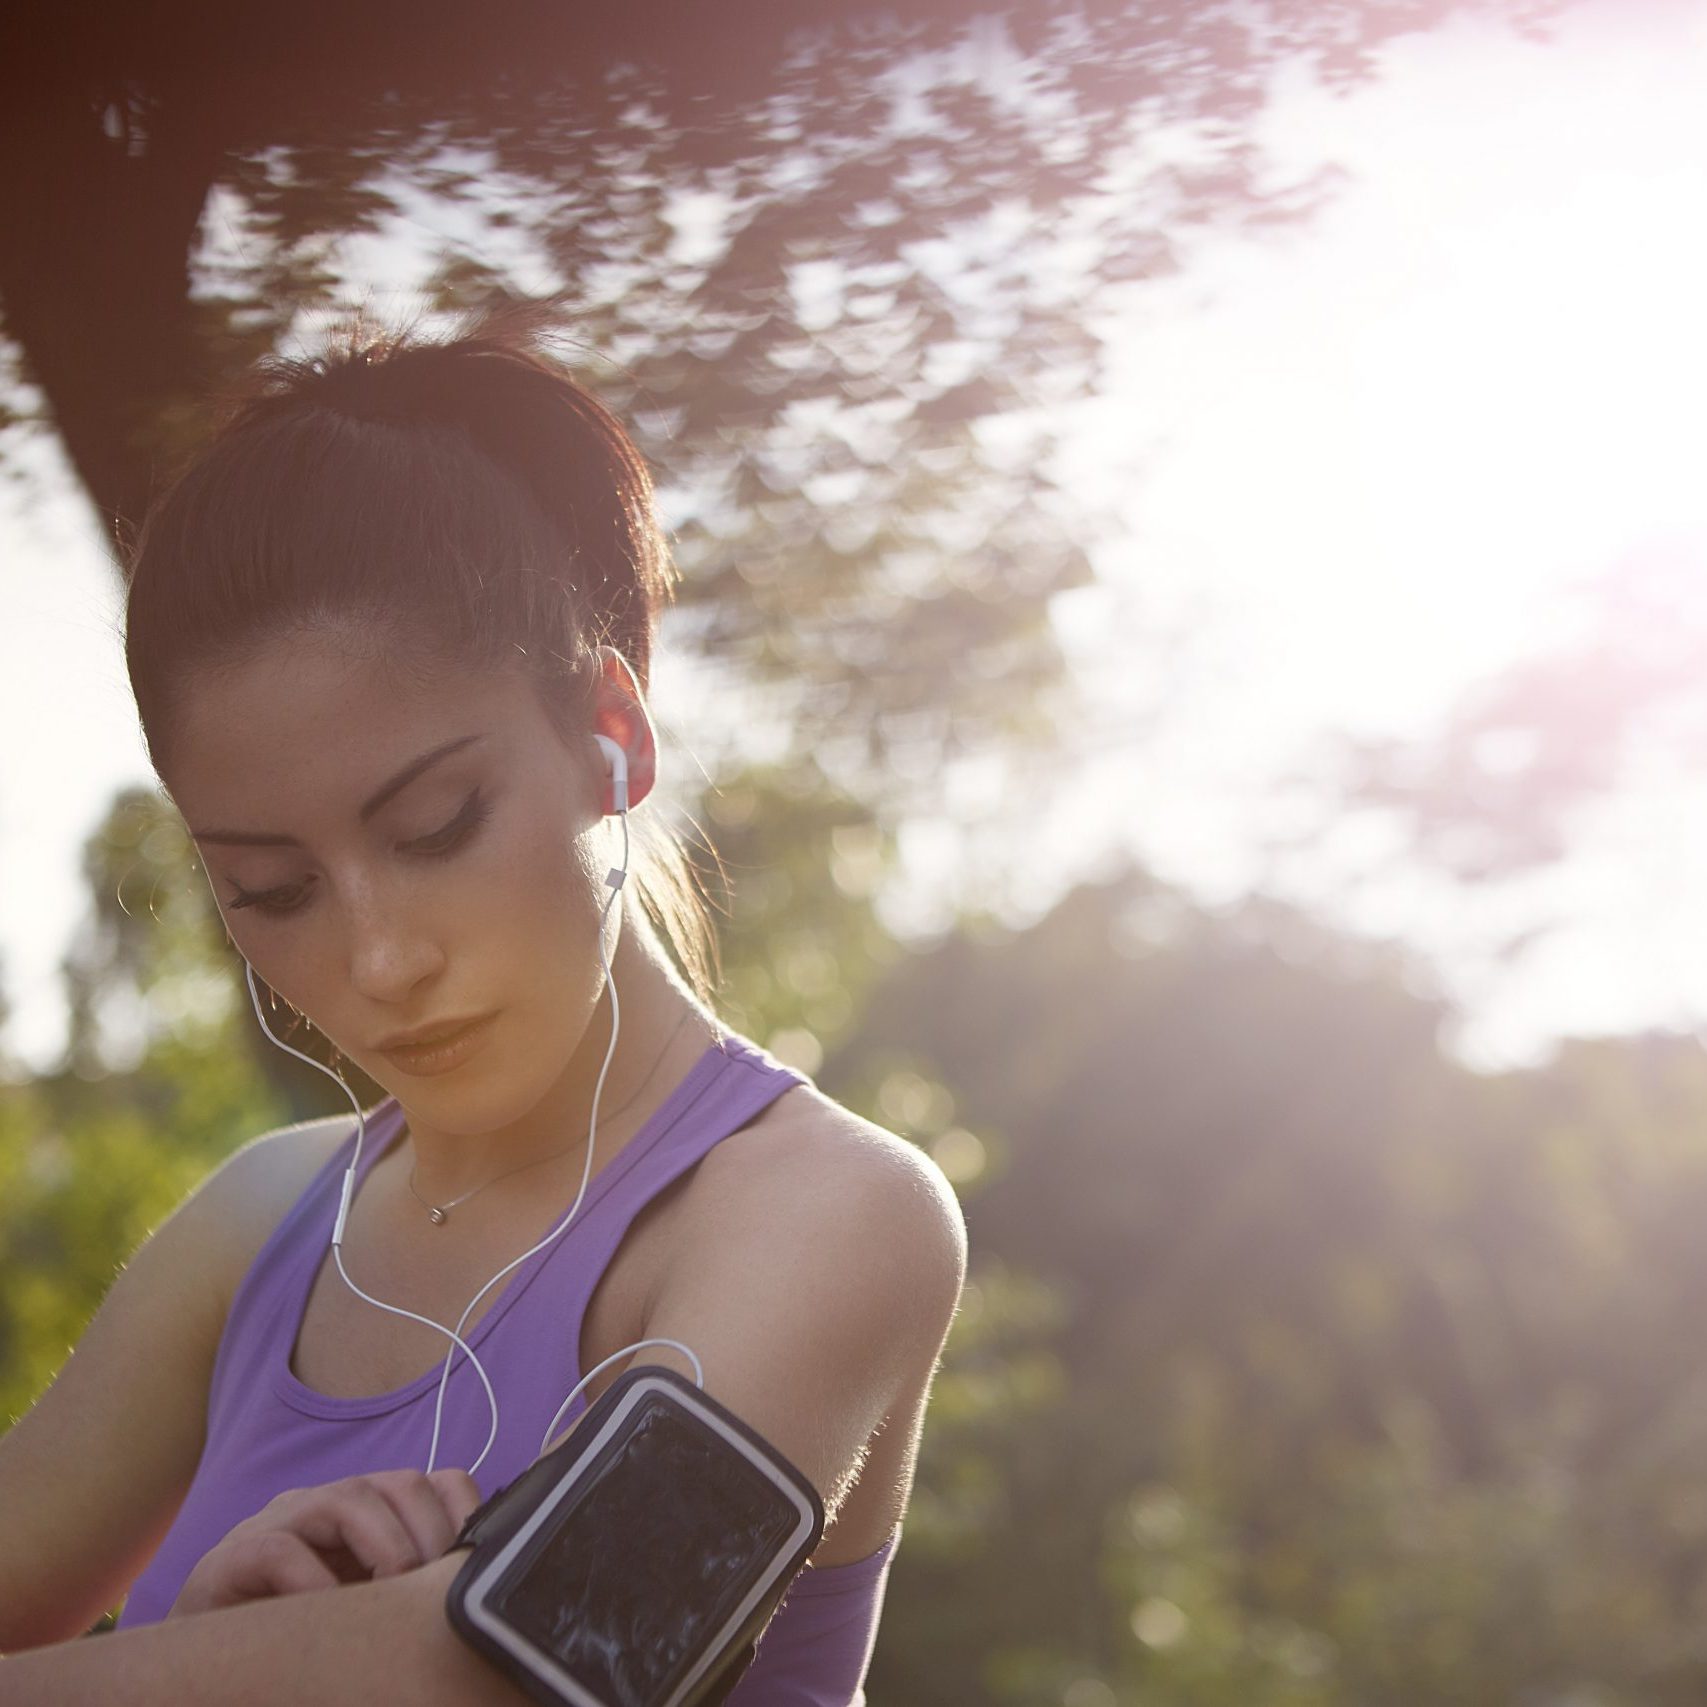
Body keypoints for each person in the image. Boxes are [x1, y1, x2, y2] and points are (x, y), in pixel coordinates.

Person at [0, 309, 967, 1705]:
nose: (379, 961)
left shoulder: (827, 1214)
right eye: (272, 890)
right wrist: (204, 1637)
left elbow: (549, 1657)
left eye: (437, 824)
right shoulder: (256, 1224)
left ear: (613, 736)